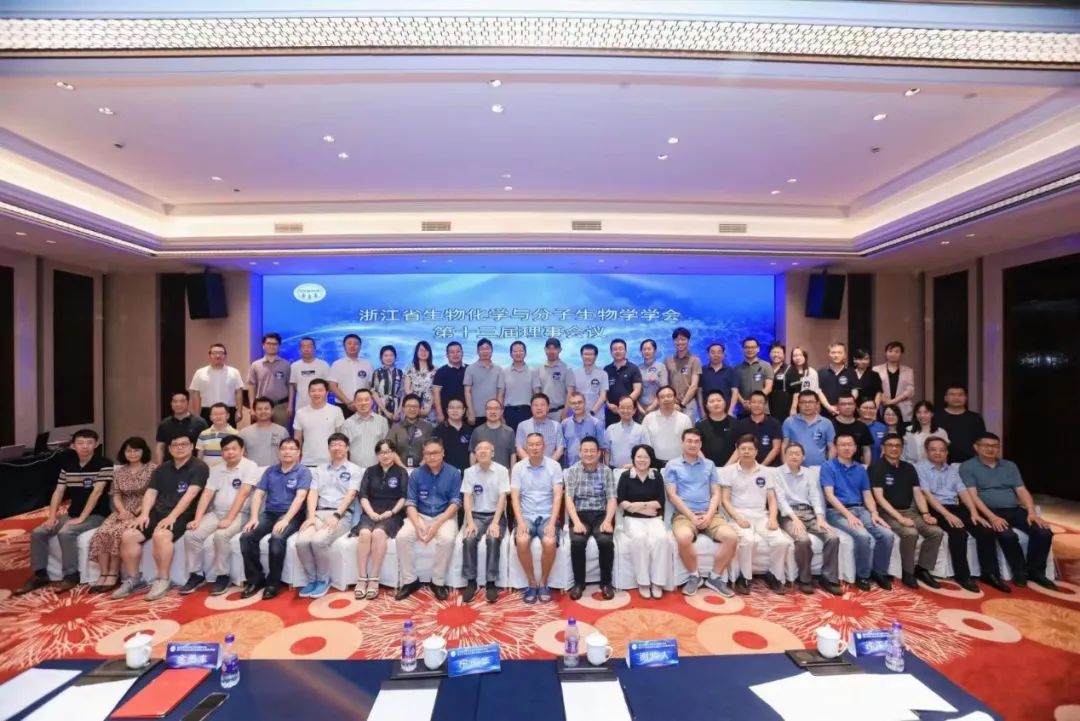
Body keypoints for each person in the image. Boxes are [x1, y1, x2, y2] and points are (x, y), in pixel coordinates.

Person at [16, 429, 113, 596]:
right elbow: (59, 491)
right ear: (73, 445)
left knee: (66, 532)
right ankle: (40, 574)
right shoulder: (68, 464)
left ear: (96, 444)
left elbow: (96, 493)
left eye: (89, 443)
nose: (85, 446)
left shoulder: (104, 463)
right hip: (72, 513)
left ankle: (71, 575)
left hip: (97, 515)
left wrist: (82, 518)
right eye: (80, 443)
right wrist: (52, 516)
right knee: (39, 532)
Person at [112, 435, 209, 601]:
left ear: (192, 446)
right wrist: (144, 514)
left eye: (184, 444)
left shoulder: (199, 467)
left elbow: (191, 494)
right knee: (128, 536)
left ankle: (163, 580)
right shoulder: (162, 468)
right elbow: (151, 492)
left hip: (183, 514)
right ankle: (134, 579)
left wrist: (172, 517)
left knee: (160, 535)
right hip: (158, 512)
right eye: (175, 445)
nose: (180, 448)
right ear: (169, 449)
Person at [960, 433, 1056, 590]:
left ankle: (1036, 572)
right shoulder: (968, 467)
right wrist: (992, 517)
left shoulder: (1009, 466)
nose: (991, 449)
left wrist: (1032, 512)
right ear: (976, 447)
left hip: (1013, 509)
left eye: (995, 446)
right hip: (988, 510)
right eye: (986, 445)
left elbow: (1021, 490)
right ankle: (1020, 572)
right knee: (1007, 535)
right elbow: (973, 496)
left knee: (1043, 532)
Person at [180, 434, 260, 596]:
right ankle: (196, 575)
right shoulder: (216, 468)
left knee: (221, 535)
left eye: (234, 449)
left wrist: (229, 518)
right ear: (222, 452)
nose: (230, 452)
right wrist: (197, 519)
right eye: (226, 449)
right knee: (191, 535)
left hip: (240, 513)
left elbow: (243, 494)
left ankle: (223, 576)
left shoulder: (250, 466)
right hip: (217, 513)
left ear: (242, 450)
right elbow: (207, 494)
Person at [665, 428, 738, 597]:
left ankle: (715, 578)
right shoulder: (672, 465)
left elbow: (716, 493)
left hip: (709, 513)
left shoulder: (709, 465)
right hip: (684, 515)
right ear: (682, 443)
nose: (693, 444)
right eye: (689, 441)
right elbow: (672, 495)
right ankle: (694, 576)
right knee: (683, 537)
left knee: (731, 537)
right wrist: (691, 516)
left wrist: (709, 515)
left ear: (701, 444)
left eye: (696, 441)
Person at [239, 438, 311, 600]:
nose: (287, 451)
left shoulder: (303, 471)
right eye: (284, 448)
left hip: (292, 515)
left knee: (277, 537)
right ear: (279, 452)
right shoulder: (270, 471)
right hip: (270, 513)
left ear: (298, 453)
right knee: (246, 537)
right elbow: (258, 494)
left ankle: (273, 583)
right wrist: (254, 517)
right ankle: (255, 580)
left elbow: (300, 497)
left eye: (291, 448)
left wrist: (286, 520)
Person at [821, 433, 894, 591]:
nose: (847, 448)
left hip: (861, 509)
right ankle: (863, 575)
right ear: (836, 447)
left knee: (887, 535)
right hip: (837, 512)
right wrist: (848, 515)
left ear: (855, 448)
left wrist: (874, 513)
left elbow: (867, 494)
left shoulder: (860, 468)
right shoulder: (828, 466)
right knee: (862, 535)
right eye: (842, 444)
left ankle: (879, 572)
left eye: (850, 444)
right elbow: (830, 496)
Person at [870, 434, 944, 589]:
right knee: (910, 533)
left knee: (936, 532)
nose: (894, 448)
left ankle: (922, 569)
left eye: (898, 445)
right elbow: (879, 498)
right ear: (883, 448)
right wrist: (900, 518)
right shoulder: (876, 467)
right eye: (890, 445)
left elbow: (918, 493)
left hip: (909, 511)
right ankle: (907, 572)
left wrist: (925, 514)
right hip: (886, 513)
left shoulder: (909, 468)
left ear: (902, 448)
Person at [720, 435, 791, 595]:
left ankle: (774, 575)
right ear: (737, 451)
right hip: (738, 514)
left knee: (782, 541)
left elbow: (772, 499)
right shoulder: (729, 471)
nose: (746, 452)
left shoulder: (766, 472)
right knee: (749, 540)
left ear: (756, 451)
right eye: (743, 449)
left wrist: (772, 518)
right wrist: (738, 518)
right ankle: (744, 577)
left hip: (761, 515)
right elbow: (725, 500)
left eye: (750, 449)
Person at [294, 433, 360, 599]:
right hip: (318, 513)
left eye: (340, 445)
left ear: (347, 448)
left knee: (318, 541)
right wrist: (310, 517)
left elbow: (351, 495)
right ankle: (312, 579)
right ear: (328, 448)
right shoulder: (320, 469)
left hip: (341, 515)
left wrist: (336, 515)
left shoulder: (354, 470)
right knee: (301, 542)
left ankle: (324, 579)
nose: (336, 448)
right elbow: (313, 493)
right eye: (333, 445)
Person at [396, 438, 462, 601]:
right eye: (427, 453)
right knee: (402, 537)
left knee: (447, 539)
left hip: (444, 516)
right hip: (420, 515)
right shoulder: (416, 474)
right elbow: (410, 503)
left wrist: (437, 524)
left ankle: (437, 582)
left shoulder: (453, 473)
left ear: (443, 453)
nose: (431, 457)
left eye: (435, 453)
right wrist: (418, 524)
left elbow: (455, 502)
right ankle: (410, 581)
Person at [87, 437, 155, 594]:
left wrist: (136, 511)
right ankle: (103, 573)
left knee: (117, 533)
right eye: (129, 451)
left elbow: (152, 494)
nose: (132, 454)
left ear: (143, 451)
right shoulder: (119, 471)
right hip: (122, 510)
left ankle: (113, 573)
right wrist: (122, 510)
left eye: (136, 450)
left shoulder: (152, 469)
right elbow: (116, 494)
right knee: (103, 532)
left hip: (143, 509)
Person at [916, 437, 982, 593]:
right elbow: (927, 495)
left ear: (947, 453)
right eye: (933, 449)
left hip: (955, 506)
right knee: (958, 531)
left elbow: (963, 491)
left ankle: (990, 572)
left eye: (942, 450)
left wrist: (974, 512)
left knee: (984, 529)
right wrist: (947, 515)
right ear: (926, 452)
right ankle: (963, 575)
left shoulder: (952, 470)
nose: (938, 453)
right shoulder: (920, 468)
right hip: (935, 508)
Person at [775, 443, 841, 595]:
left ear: (803, 457)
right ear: (785, 456)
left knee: (833, 537)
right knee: (803, 540)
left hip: (809, 513)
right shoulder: (777, 473)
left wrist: (820, 517)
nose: (794, 456)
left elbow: (815, 496)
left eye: (797, 453)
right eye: (791, 453)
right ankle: (805, 578)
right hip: (788, 515)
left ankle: (829, 578)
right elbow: (780, 500)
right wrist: (794, 518)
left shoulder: (809, 473)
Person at [351, 439, 408, 600]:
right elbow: (363, 495)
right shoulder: (369, 471)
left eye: (389, 451)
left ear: (394, 453)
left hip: (393, 514)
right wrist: (370, 512)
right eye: (382, 452)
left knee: (378, 533)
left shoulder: (401, 472)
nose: (385, 455)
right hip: (370, 511)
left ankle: (374, 578)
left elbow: (404, 497)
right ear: (377, 455)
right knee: (364, 533)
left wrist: (391, 512)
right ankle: (362, 578)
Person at [511, 433, 564, 603]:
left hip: (548, 515)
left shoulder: (554, 466)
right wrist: (520, 522)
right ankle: (532, 582)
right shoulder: (518, 467)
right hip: (526, 515)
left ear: (544, 446)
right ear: (526, 447)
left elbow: (557, 497)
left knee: (549, 541)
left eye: (538, 444)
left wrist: (552, 522)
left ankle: (544, 582)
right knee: (522, 540)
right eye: (531, 445)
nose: (534, 448)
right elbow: (514, 498)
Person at [564, 437, 617, 600]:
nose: (589, 454)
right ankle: (579, 583)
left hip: (601, 514)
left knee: (605, 541)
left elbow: (611, 498)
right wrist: (576, 522)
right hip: (580, 514)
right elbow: (569, 499)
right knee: (578, 542)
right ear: (580, 452)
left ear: (599, 453)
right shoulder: (572, 471)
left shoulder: (606, 471)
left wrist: (608, 520)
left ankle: (606, 583)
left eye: (592, 451)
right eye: (585, 451)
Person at [460, 440, 510, 603]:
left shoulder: (502, 471)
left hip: (496, 515)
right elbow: (467, 497)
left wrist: (495, 522)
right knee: (469, 538)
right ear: (475, 454)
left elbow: (502, 498)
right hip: (476, 515)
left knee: (493, 539)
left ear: (492, 453)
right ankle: (471, 582)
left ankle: (491, 582)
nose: (482, 452)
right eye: (479, 449)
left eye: (486, 449)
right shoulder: (469, 472)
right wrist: (470, 522)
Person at [617, 444, 667, 598]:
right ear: (633, 458)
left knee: (662, 538)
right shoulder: (626, 476)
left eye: (646, 457)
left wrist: (637, 505)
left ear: (651, 459)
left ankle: (658, 582)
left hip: (654, 518)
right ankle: (643, 581)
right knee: (639, 538)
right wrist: (644, 508)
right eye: (639, 456)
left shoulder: (656, 476)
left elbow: (660, 502)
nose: (642, 460)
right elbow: (621, 501)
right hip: (632, 519)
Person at [188, 343, 245, 427]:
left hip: (229, 410)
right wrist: (196, 414)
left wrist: (239, 411)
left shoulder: (234, 372)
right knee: (207, 434)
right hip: (207, 411)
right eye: (214, 353)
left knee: (228, 434)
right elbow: (196, 394)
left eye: (221, 353)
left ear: (225, 355)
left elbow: (238, 392)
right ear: (209, 355)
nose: (218, 356)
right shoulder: (200, 373)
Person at [293, 379, 345, 466]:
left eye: (320, 390)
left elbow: (341, 437)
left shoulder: (336, 411)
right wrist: (296, 458)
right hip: (307, 461)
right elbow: (297, 438)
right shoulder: (300, 412)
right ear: (309, 393)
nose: (316, 393)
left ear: (327, 392)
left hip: (331, 461)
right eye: (313, 391)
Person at [248, 333, 292, 427]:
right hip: (261, 407)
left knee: (281, 433)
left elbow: (290, 386)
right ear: (263, 345)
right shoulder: (255, 365)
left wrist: (290, 405)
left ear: (279, 346)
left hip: (280, 406)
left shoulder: (286, 365)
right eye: (268, 343)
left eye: (275, 344)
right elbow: (251, 386)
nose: (271, 346)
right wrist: (252, 407)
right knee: (260, 433)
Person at [782, 391, 836, 467]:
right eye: (803, 402)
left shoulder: (826, 423)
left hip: (819, 468)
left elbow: (832, 447)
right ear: (798, 404)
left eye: (810, 402)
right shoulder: (789, 422)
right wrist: (785, 466)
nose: (807, 405)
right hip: (795, 468)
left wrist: (828, 467)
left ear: (817, 404)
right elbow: (784, 445)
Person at [155, 390, 208, 465]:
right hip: (170, 466)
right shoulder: (164, 424)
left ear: (188, 402)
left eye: (182, 401)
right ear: (171, 403)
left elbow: (204, 447)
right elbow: (160, 447)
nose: (178, 404)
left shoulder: (200, 422)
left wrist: (199, 466)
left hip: (193, 466)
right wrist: (159, 466)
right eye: (175, 401)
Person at [644, 386, 694, 464]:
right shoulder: (648, 419)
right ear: (658, 400)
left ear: (675, 398)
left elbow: (689, 442)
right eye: (662, 397)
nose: (666, 399)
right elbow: (644, 442)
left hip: (680, 463)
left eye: (669, 396)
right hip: (654, 463)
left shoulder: (685, 419)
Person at [936, 386, 986, 464]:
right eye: (952, 394)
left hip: (970, 463)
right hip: (941, 463)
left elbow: (981, 441)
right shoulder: (936, 417)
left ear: (966, 398)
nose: (956, 398)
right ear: (945, 398)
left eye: (960, 395)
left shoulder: (975, 418)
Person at [328, 334, 373, 420]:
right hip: (342, 405)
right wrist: (348, 402)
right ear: (344, 346)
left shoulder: (367, 364)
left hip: (363, 406)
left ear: (360, 346)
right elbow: (332, 386)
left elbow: (371, 386)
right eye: (349, 343)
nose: (352, 346)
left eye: (356, 344)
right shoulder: (337, 364)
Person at [341, 388, 389, 469]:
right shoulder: (347, 423)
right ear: (354, 403)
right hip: (355, 470)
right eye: (359, 400)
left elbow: (387, 447)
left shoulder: (382, 421)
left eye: (366, 400)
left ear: (372, 402)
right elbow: (343, 449)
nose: (363, 403)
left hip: (378, 469)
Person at [732, 391, 783, 466]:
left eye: (760, 402)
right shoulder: (741, 424)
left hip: (769, 468)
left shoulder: (774, 423)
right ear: (749, 404)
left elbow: (776, 448)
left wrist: (761, 467)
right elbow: (738, 448)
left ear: (765, 404)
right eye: (754, 402)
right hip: (746, 467)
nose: (757, 405)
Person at [464, 338, 505, 426]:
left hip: (494, 414)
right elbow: (467, 391)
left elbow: (500, 393)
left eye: (487, 348)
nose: (485, 351)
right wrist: (470, 411)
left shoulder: (499, 369)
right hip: (476, 414)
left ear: (492, 350)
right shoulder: (470, 369)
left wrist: (500, 414)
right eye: (482, 349)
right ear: (477, 351)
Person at [387, 394, 434, 469]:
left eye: (415, 407)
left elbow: (432, 449)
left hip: (423, 469)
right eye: (408, 406)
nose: (412, 409)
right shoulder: (396, 427)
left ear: (420, 409)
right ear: (403, 408)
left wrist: (420, 467)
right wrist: (403, 468)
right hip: (400, 469)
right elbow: (389, 449)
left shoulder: (427, 427)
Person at [239, 396, 289, 467]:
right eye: (259, 409)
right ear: (254, 411)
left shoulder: (282, 431)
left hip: (275, 472)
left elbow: (287, 454)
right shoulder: (244, 433)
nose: (263, 411)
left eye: (266, 409)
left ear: (272, 411)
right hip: (252, 472)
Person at [561, 392, 607, 467]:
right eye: (573, 403)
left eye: (580, 402)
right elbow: (563, 449)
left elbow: (602, 448)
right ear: (570, 405)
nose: (577, 405)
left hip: (592, 468)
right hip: (571, 468)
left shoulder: (596, 423)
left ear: (585, 403)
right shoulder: (564, 424)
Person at [603, 338, 642, 427]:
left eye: (620, 349)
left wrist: (625, 405)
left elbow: (637, 390)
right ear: (611, 352)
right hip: (612, 411)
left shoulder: (633, 368)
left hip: (629, 411)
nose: (618, 351)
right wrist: (608, 404)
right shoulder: (606, 369)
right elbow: (603, 391)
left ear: (625, 351)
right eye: (615, 349)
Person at [664, 327, 702, 420]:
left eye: (683, 339)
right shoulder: (668, 360)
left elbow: (694, 386)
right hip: (672, 402)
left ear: (688, 340)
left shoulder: (694, 360)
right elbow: (665, 384)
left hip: (688, 403)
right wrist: (672, 400)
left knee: (688, 428)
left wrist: (682, 404)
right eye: (677, 340)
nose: (680, 342)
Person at [515, 393, 564, 461]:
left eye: (542, 405)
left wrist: (549, 465)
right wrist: (531, 463)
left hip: (550, 464)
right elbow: (519, 448)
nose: (539, 408)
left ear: (548, 407)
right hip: (528, 464)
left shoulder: (556, 426)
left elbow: (560, 449)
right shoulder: (522, 426)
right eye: (535, 405)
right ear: (531, 407)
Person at [732, 337, 774, 417]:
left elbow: (768, 387)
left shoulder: (766, 365)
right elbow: (735, 390)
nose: (750, 350)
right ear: (743, 349)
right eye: (747, 347)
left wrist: (755, 402)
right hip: (743, 410)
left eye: (753, 347)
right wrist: (743, 402)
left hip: (762, 410)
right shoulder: (736, 369)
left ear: (758, 349)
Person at [875, 341, 916, 422]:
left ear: (901, 354)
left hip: (903, 408)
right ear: (885, 353)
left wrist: (892, 401)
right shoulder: (876, 369)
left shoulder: (908, 371)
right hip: (883, 406)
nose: (893, 354)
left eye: (897, 351)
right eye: (890, 351)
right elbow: (875, 388)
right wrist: (883, 399)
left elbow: (910, 390)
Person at [606, 395, 651, 469]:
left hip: (635, 470)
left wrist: (634, 466)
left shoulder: (642, 430)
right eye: (622, 407)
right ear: (618, 409)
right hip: (613, 470)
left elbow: (647, 452)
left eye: (629, 408)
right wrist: (607, 468)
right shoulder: (610, 429)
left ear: (634, 410)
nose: (625, 410)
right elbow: (607, 452)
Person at [500, 340, 537, 431]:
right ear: (510, 354)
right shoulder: (504, 371)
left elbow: (537, 394)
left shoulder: (533, 371)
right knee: (510, 438)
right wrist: (500, 414)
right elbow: (500, 395)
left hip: (527, 412)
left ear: (525, 353)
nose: (518, 353)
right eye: (515, 351)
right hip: (509, 412)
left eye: (521, 351)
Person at [289, 336, 330, 416]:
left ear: (314, 348)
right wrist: (290, 405)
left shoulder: (323, 365)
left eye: (309, 346)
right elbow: (292, 387)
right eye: (303, 347)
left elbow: (328, 385)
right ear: (300, 349)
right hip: (301, 406)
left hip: (321, 406)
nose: (306, 349)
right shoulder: (294, 366)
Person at [469, 398, 516, 469]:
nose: (493, 411)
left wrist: (512, 473)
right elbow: (473, 453)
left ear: (502, 411)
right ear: (485, 411)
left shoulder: (509, 431)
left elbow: (513, 454)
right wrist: (473, 471)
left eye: (496, 408)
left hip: (503, 473)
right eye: (489, 409)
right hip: (482, 473)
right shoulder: (477, 431)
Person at [694, 390, 736, 466]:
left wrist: (727, 467)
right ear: (706, 406)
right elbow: (696, 447)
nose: (716, 403)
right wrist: (708, 465)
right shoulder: (700, 425)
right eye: (711, 401)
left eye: (719, 400)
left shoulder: (735, 423)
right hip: (706, 467)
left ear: (725, 402)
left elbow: (740, 447)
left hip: (731, 467)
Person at [817, 342, 859, 417]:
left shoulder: (851, 372)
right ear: (829, 355)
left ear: (845, 355)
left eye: (839, 352)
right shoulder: (821, 372)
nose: (836, 355)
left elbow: (855, 391)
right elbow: (819, 392)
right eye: (833, 352)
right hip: (825, 413)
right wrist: (829, 407)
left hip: (846, 413)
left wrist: (843, 406)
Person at [831, 394, 873, 466]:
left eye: (850, 404)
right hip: (834, 467)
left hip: (856, 467)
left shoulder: (862, 426)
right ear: (837, 406)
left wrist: (867, 467)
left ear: (855, 405)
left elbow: (866, 450)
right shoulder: (830, 424)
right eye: (843, 404)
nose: (847, 407)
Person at [432, 341, 468, 423]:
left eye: (458, 351)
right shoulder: (441, 371)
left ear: (462, 353)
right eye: (452, 352)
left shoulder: (469, 369)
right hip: (446, 415)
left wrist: (470, 410)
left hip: (466, 414)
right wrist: (439, 413)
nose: (455, 354)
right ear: (447, 355)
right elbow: (436, 394)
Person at [571, 343, 609, 421]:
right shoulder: (574, 373)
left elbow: (603, 396)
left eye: (591, 354)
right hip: (578, 416)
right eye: (585, 354)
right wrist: (580, 413)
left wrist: (592, 412)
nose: (588, 357)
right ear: (581, 356)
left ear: (596, 356)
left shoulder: (603, 374)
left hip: (597, 416)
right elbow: (572, 395)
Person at [433, 398, 473, 471]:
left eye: (458, 408)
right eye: (452, 408)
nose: (455, 410)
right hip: (445, 473)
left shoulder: (470, 430)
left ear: (464, 410)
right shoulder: (438, 430)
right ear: (447, 410)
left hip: (466, 473)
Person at [536, 337, 571, 420]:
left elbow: (570, 392)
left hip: (560, 412)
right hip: (543, 413)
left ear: (560, 350)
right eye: (549, 348)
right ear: (545, 350)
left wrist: (565, 412)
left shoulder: (566, 368)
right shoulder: (539, 369)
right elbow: (537, 393)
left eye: (555, 348)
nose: (551, 351)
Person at [195, 403, 237, 469]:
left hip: (228, 472)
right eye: (215, 414)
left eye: (221, 414)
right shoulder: (203, 434)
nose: (218, 417)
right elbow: (200, 456)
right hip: (208, 472)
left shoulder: (235, 434)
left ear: (228, 416)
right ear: (210, 417)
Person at [699, 343, 738, 413]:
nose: (716, 355)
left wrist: (730, 411)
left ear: (723, 355)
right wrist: (702, 412)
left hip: (726, 411)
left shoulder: (730, 371)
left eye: (719, 352)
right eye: (713, 352)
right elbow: (699, 392)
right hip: (707, 412)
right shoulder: (702, 370)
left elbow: (735, 391)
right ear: (708, 355)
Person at [403, 341, 437, 421]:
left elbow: (436, 391)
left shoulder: (435, 370)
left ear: (429, 353)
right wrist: (415, 406)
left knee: (429, 427)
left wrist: (429, 407)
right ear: (416, 352)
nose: (423, 352)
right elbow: (407, 390)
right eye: (421, 350)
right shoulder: (410, 368)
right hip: (413, 406)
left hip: (430, 407)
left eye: (426, 350)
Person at [372, 345, 405, 423]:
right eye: (386, 355)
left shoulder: (400, 372)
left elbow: (403, 393)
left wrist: (399, 411)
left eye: (391, 355)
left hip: (397, 407)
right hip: (381, 406)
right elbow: (374, 392)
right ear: (381, 358)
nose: (389, 358)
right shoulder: (377, 372)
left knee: (397, 429)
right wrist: (385, 411)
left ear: (395, 357)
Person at [638, 339, 669, 415]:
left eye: (649, 349)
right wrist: (639, 408)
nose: (646, 351)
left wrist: (653, 406)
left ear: (655, 351)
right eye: (644, 349)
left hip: (657, 407)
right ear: (641, 352)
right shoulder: (638, 368)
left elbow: (664, 388)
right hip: (641, 408)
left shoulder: (661, 367)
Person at [785, 346, 819, 416]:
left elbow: (815, 392)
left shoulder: (812, 372)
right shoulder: (788, 372)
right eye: (795, 356)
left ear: (805, 356)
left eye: (800, 355)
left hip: (806, 406)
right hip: (789, 406)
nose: (798, 358)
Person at [767, 342, 792, 419]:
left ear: (784, 355)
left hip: (784, 405)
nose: (776, 355)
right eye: (774, 352)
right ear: (769, 354)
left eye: (779, 352)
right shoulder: (765, 368)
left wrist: (794, 407)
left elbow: (796, 391)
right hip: (767, 405)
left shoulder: (790, 369)